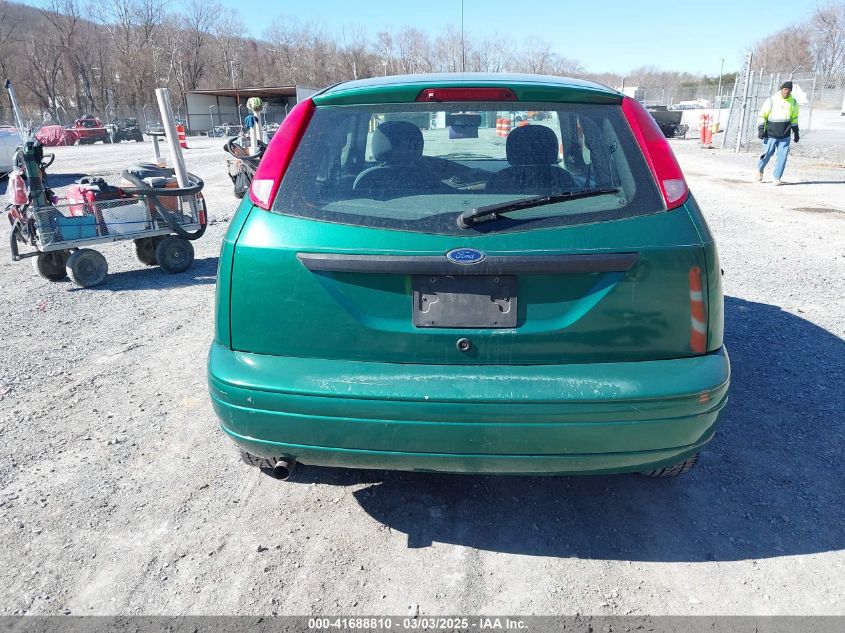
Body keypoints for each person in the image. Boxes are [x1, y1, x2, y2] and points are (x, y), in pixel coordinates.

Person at [756, 81, 799, 185]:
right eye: (785, 89)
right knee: (766, 154)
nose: (787, 91)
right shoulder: (771, 100)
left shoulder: (793, 102)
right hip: (771, 133)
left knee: (782, 157)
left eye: (789, 90)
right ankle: (760, 169)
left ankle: (776, 177)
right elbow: (762, 115)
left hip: (785, 135)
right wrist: (761, 129)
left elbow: (794, 118)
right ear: (781, 89)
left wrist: (796, 132)